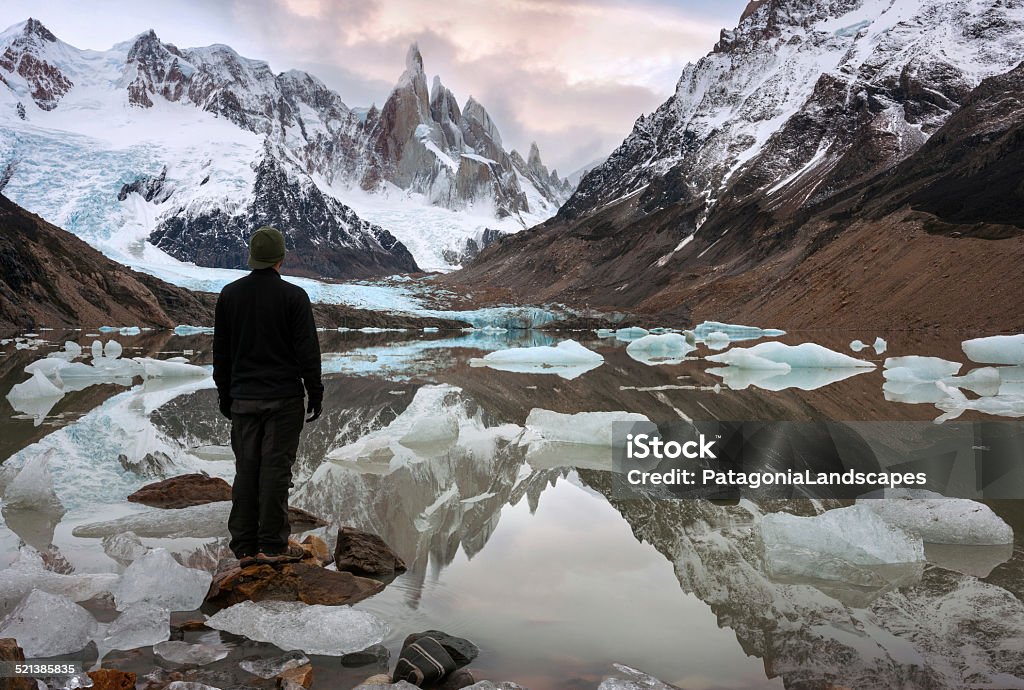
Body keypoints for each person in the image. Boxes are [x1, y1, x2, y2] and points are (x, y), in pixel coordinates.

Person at [212, 226, 323, 567]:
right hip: (283, 400)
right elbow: (307, 351)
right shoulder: (294, 297)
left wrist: (225, 395)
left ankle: (244, 546)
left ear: (252, 256)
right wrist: (314, 390)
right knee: (275, 471)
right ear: (281, 258)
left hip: (244, 399)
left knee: (246, 470)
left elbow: (222, 353)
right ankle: (272, 546)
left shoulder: (229, 295)